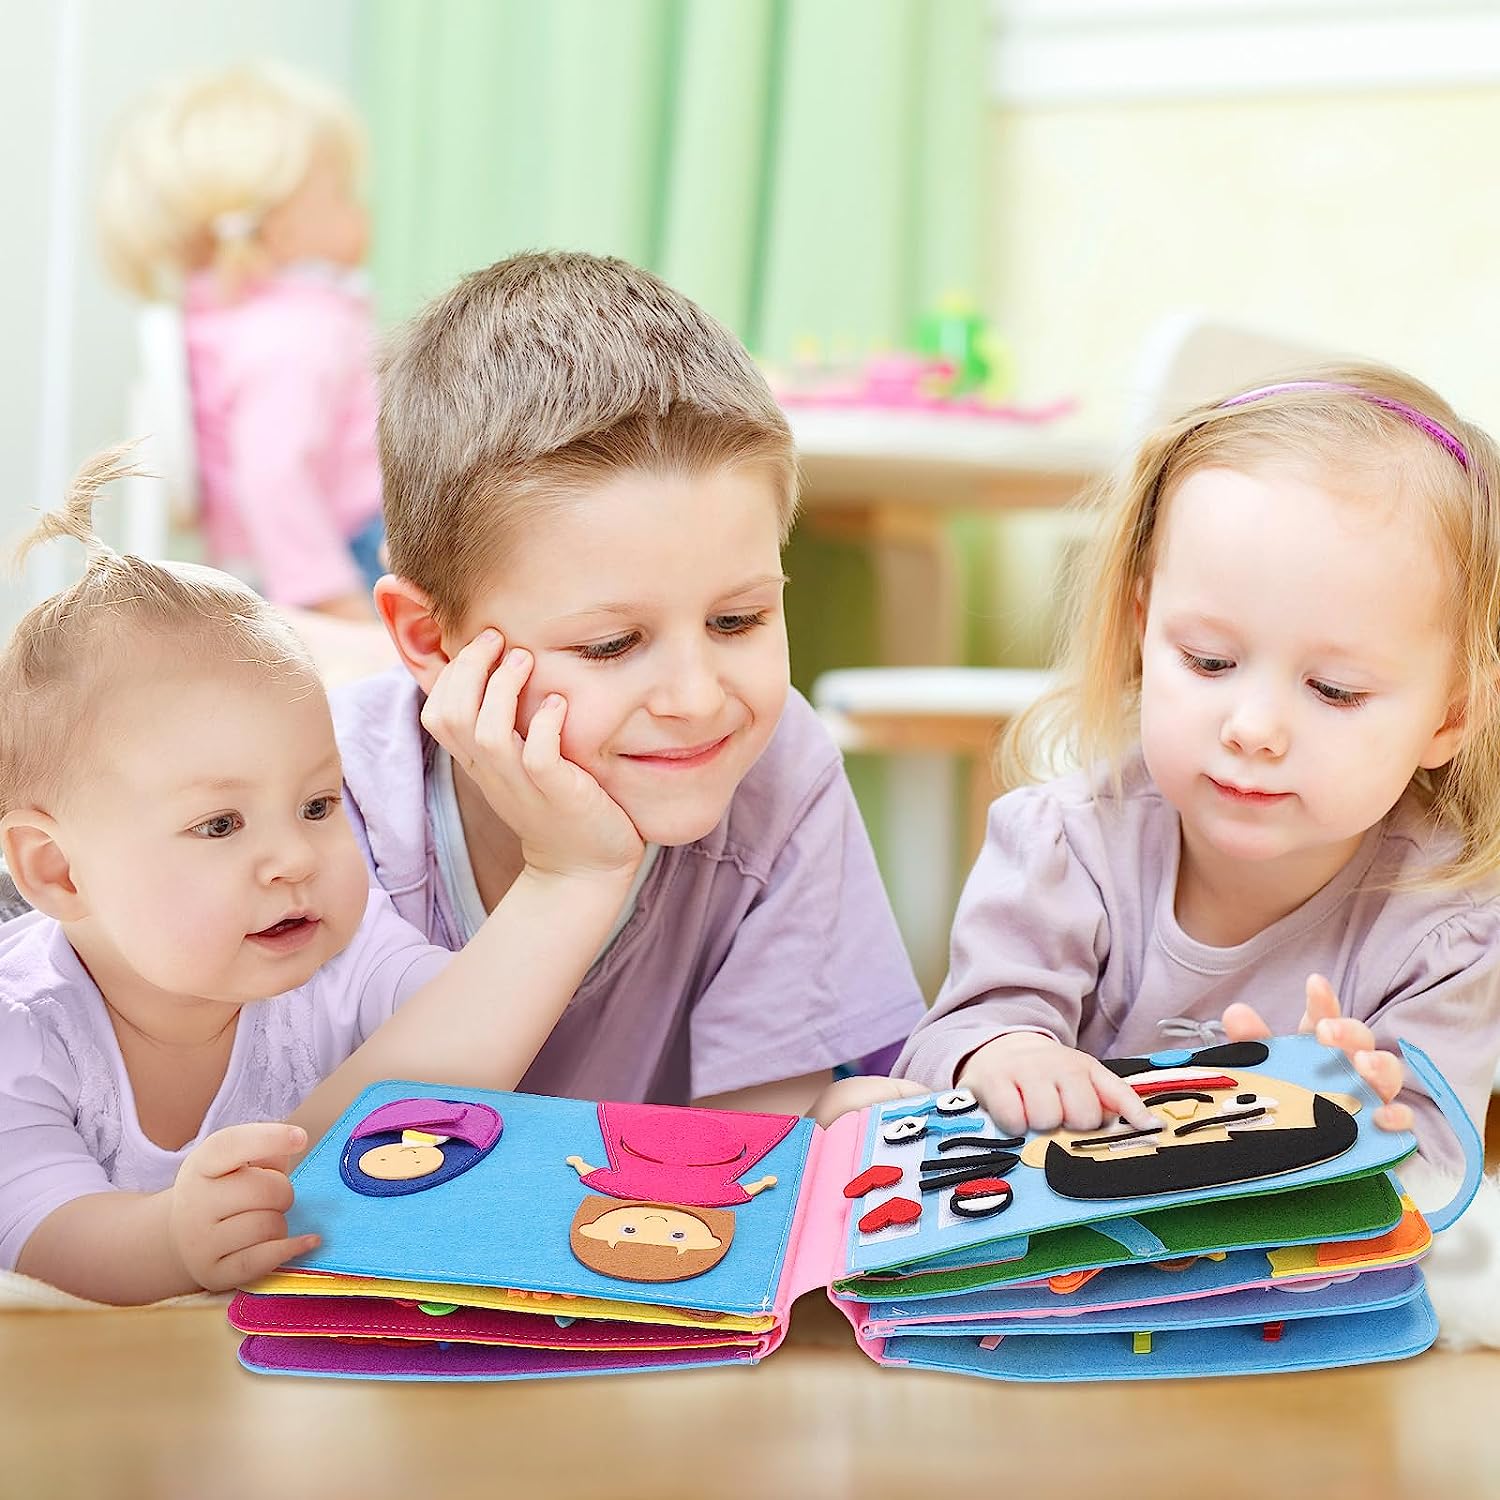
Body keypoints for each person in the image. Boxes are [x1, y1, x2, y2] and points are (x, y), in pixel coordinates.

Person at [0, 447, 646, 1303]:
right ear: (58, 872)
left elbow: (472, 1024)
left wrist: (574, 870)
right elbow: (43, 1238)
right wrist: (170, 1238)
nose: (295, 860)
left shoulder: (337, 950)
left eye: (316, 805)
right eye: (220, 824)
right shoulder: (26, 1036)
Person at [334, 249, 926, 1114]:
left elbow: (752, 1164)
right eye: (612, 645)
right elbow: (309, 1173)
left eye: (739, 621)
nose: (695, 698)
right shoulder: (327, 805)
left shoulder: (777, 769)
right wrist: (571, 879)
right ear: (431, 641)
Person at [892, 364, 1500, 1177]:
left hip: (1295, 1295)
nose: (1253, 730)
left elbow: (1439, 1173)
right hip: (1074, 1278)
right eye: (1209, 662)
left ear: (1451, 715)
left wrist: (1360, 1128)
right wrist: (1006, 1053)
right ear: (1144, 630)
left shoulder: (1446, 928)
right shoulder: (1068, 846)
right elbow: (949, 1047)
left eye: (1334, 690)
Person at [98, 61, 384, 617]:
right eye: (344, 194)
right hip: (346, 556)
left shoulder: (231, 322)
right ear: (283, 230)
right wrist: (335, 600)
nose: (363, 211)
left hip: (293, 559)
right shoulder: (295, 334)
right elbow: (275, 477)